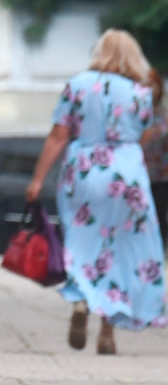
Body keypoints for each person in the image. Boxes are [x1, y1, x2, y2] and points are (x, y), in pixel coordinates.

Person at [25, 29, 167, 356]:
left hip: (84, 169)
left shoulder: (77, 86)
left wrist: (36, 180)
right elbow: (149, 132)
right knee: (120, 248)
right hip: (126, 172)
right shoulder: (140, 92)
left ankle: (81, 301)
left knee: (81, 242)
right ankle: (107, 331)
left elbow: (58, 135)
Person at [141, 69, 168, 244]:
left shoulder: (163, 114)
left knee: (159, 216)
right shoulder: (132, 115)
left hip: (161, 175)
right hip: (138, 174)